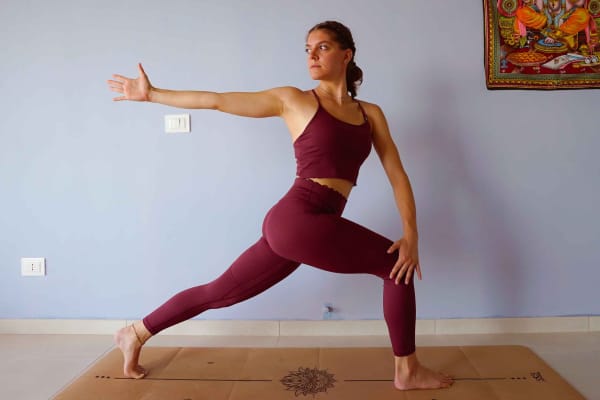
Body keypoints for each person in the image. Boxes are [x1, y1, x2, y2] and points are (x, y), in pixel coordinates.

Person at [107, 20, 453, 391]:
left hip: (302, 225)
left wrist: (411, 234)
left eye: (322, 47)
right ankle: (407, 370)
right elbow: (217, 100)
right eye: (307, 49)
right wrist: (153, 94)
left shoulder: (371, 114)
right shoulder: (294, 100)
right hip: (299, 218)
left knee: (219, 292)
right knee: (393, 267)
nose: (312, 55)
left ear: (346, 55)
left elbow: (397, 175)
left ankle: (135, 332)